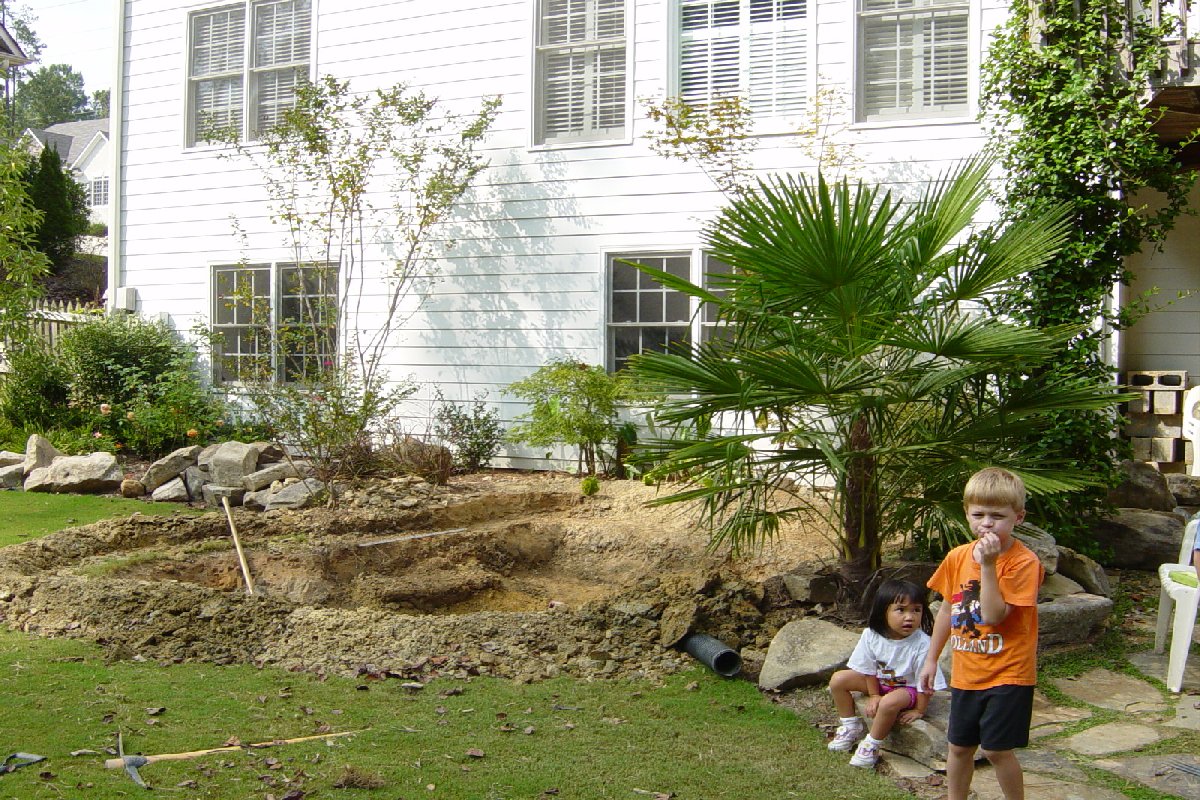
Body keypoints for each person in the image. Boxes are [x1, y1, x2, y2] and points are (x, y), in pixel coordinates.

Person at [919, 467, 1044, 800]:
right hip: (967, 673)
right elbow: (947, 609)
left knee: (996, 749)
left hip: (1008, 673)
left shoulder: (1024, 563)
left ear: (1018, 517)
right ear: (966, 513)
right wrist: (931, 659)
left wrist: (988, 565)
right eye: (979, 515)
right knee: (959, 747)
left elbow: (993, 616)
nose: (987, 523)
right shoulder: (957, 557)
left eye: (998, 516)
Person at [827, 578, 947, 768]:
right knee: (838, 679)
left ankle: (871, 744)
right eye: (901, 610)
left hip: (907, 690)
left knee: (889, 702)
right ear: (883, 611)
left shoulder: (922, 643)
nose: (910, 617)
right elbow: (868, 669)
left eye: (916, 610)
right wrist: (874, 694)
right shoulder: (871, 635)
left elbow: (925, 681)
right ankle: (850, 726)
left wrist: (919, 710)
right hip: (880, 682)